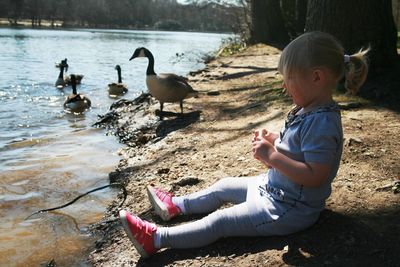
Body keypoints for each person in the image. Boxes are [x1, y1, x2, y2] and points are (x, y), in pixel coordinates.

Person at [119, 31, 369, 258]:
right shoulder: (308, 110)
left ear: (316, 77)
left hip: (288, 209)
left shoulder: (323, 123)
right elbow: (298, 148)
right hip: (273, 188)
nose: (284, 85)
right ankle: (177, 206)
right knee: (224, 186)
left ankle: (157, 238)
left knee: (220, 221)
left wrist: (272, 156)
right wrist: (275, 140)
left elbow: (316, 176)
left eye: (289, 78)